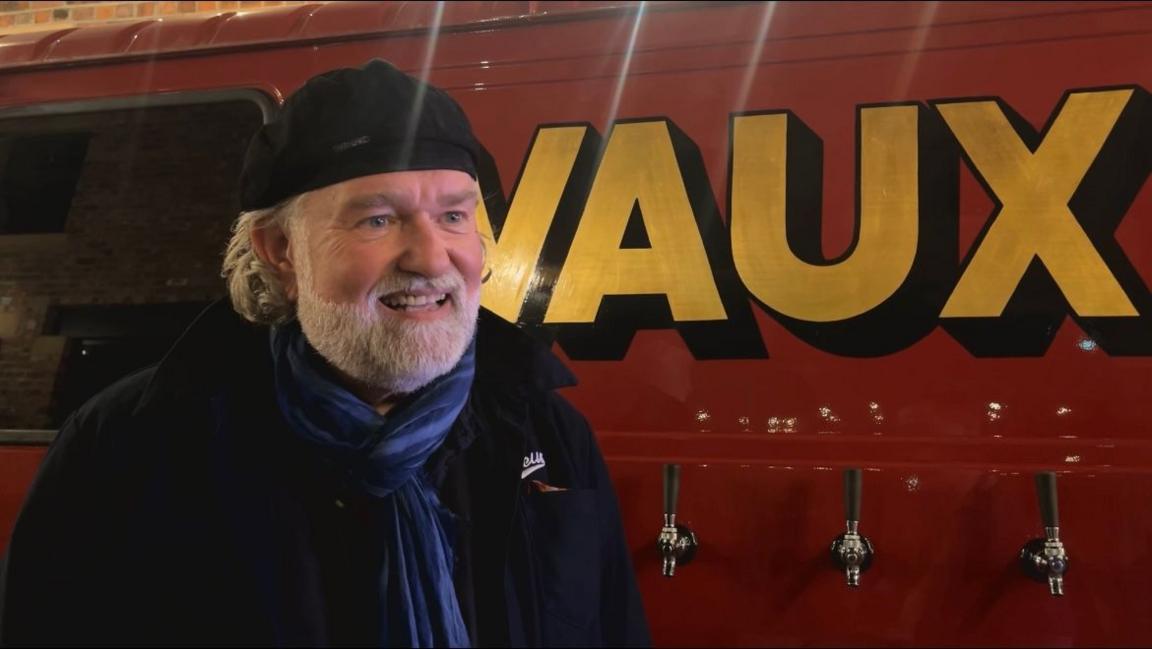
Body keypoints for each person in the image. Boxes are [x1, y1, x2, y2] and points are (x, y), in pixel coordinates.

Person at [0, 59, 650, 648]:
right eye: (377, 219)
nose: (430, 257)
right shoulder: (128, 453)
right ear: (279, 251)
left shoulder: (548, 435)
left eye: (454, 216)